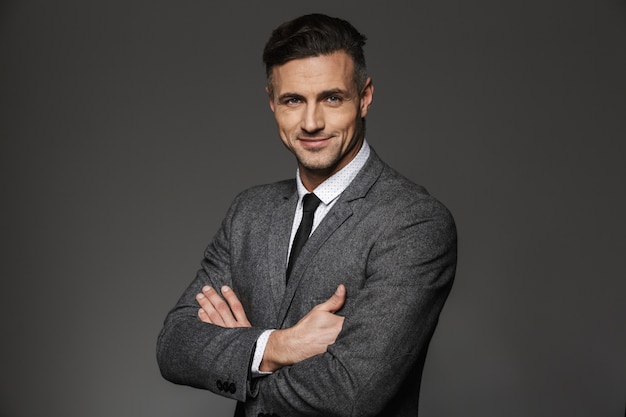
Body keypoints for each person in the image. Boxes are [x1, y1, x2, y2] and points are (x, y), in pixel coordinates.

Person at [157, 13, 457, 417]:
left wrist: (243, 356)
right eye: (293, 100)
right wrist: (280, 346)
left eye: (332, 98)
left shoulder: (414, 223)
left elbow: (350, 393)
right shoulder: (249, 213)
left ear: (365, 96)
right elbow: (174, 345)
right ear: (271, 102)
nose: (312, 122)